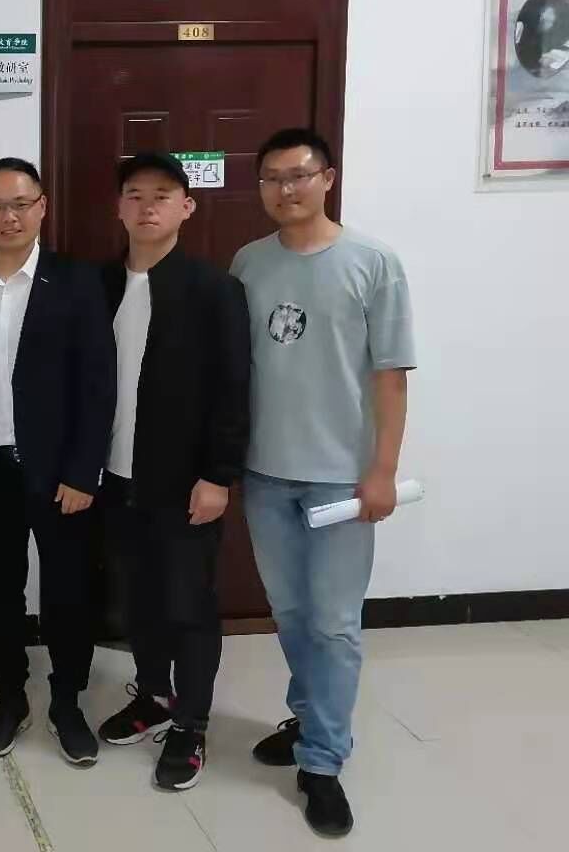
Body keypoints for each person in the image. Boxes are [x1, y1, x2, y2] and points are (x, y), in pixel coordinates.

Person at [231, 128, 415, 838]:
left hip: (341, 480)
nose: (286, 189)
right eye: (272, 178)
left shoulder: (373, 262)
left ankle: (323, 762)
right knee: (291, 614)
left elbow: (391, 377)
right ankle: (310, 719)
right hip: (266, 473)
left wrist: (383, 471)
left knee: (335, 624)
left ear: (327, 179)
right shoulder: (249, 262)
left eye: (299, 175)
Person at [0, 158, 115, 766]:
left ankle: (67, 701)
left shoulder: (77, 281)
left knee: (68, 590)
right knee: (1, 592)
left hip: (61, 471)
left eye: (20, 203)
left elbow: (98, 383)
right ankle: (11, 696)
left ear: (42, 207)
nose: (8, 217)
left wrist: (84, 471)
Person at [95, 152, 250, 791]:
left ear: (186, 207)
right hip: (114, 477)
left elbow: (233, 389)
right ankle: (154, 696)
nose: (147, 206)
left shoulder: (214, 289)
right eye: (135, 194)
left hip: (186, 482)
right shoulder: (99, 284)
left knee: (189, 604)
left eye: (162, 194)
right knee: (137, 598)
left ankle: (191, 723)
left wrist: (218, 475)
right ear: (119, 208)